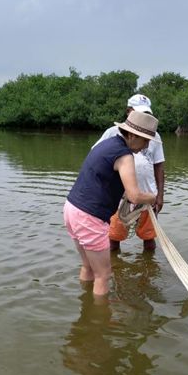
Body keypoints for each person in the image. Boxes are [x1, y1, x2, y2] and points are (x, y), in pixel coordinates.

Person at [64, 110, 159, 297]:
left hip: (71, 209)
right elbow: (134, 196)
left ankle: (86, 304)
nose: (147, 145)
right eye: (145, 139)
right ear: (131, 135)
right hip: (89, 216)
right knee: (103, 275)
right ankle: (99, 323)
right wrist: (152, 198)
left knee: (88, 266)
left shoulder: (107, 144)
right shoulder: (125, 156)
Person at [91, 94, 166, 251]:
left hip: (147, 195)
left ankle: (147, 273)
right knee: (113, 239)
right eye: (138, 112)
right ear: (128, 111)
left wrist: (159, 195)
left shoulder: (154, 135)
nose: (142, 117)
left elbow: (159, 165)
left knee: (149, 239)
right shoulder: (112, 133)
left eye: (146, 114)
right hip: (118, 198)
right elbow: (96, 159)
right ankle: (116, 272)